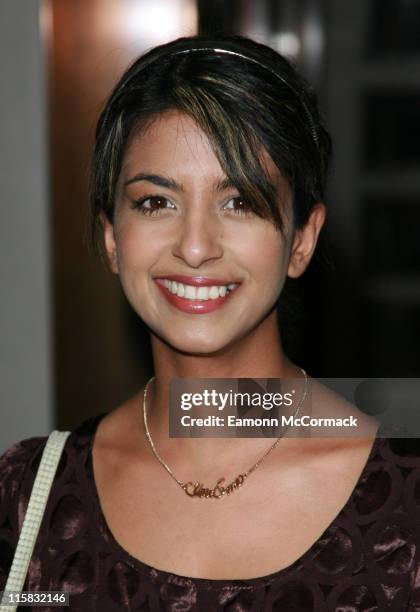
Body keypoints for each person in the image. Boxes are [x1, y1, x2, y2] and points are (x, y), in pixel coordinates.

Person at [1, 34, 419, 611]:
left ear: (302, 239)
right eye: (156, 202)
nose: (195, 247)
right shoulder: (28, 498)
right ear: (112, 238)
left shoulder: (405, 504)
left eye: (240, 202)